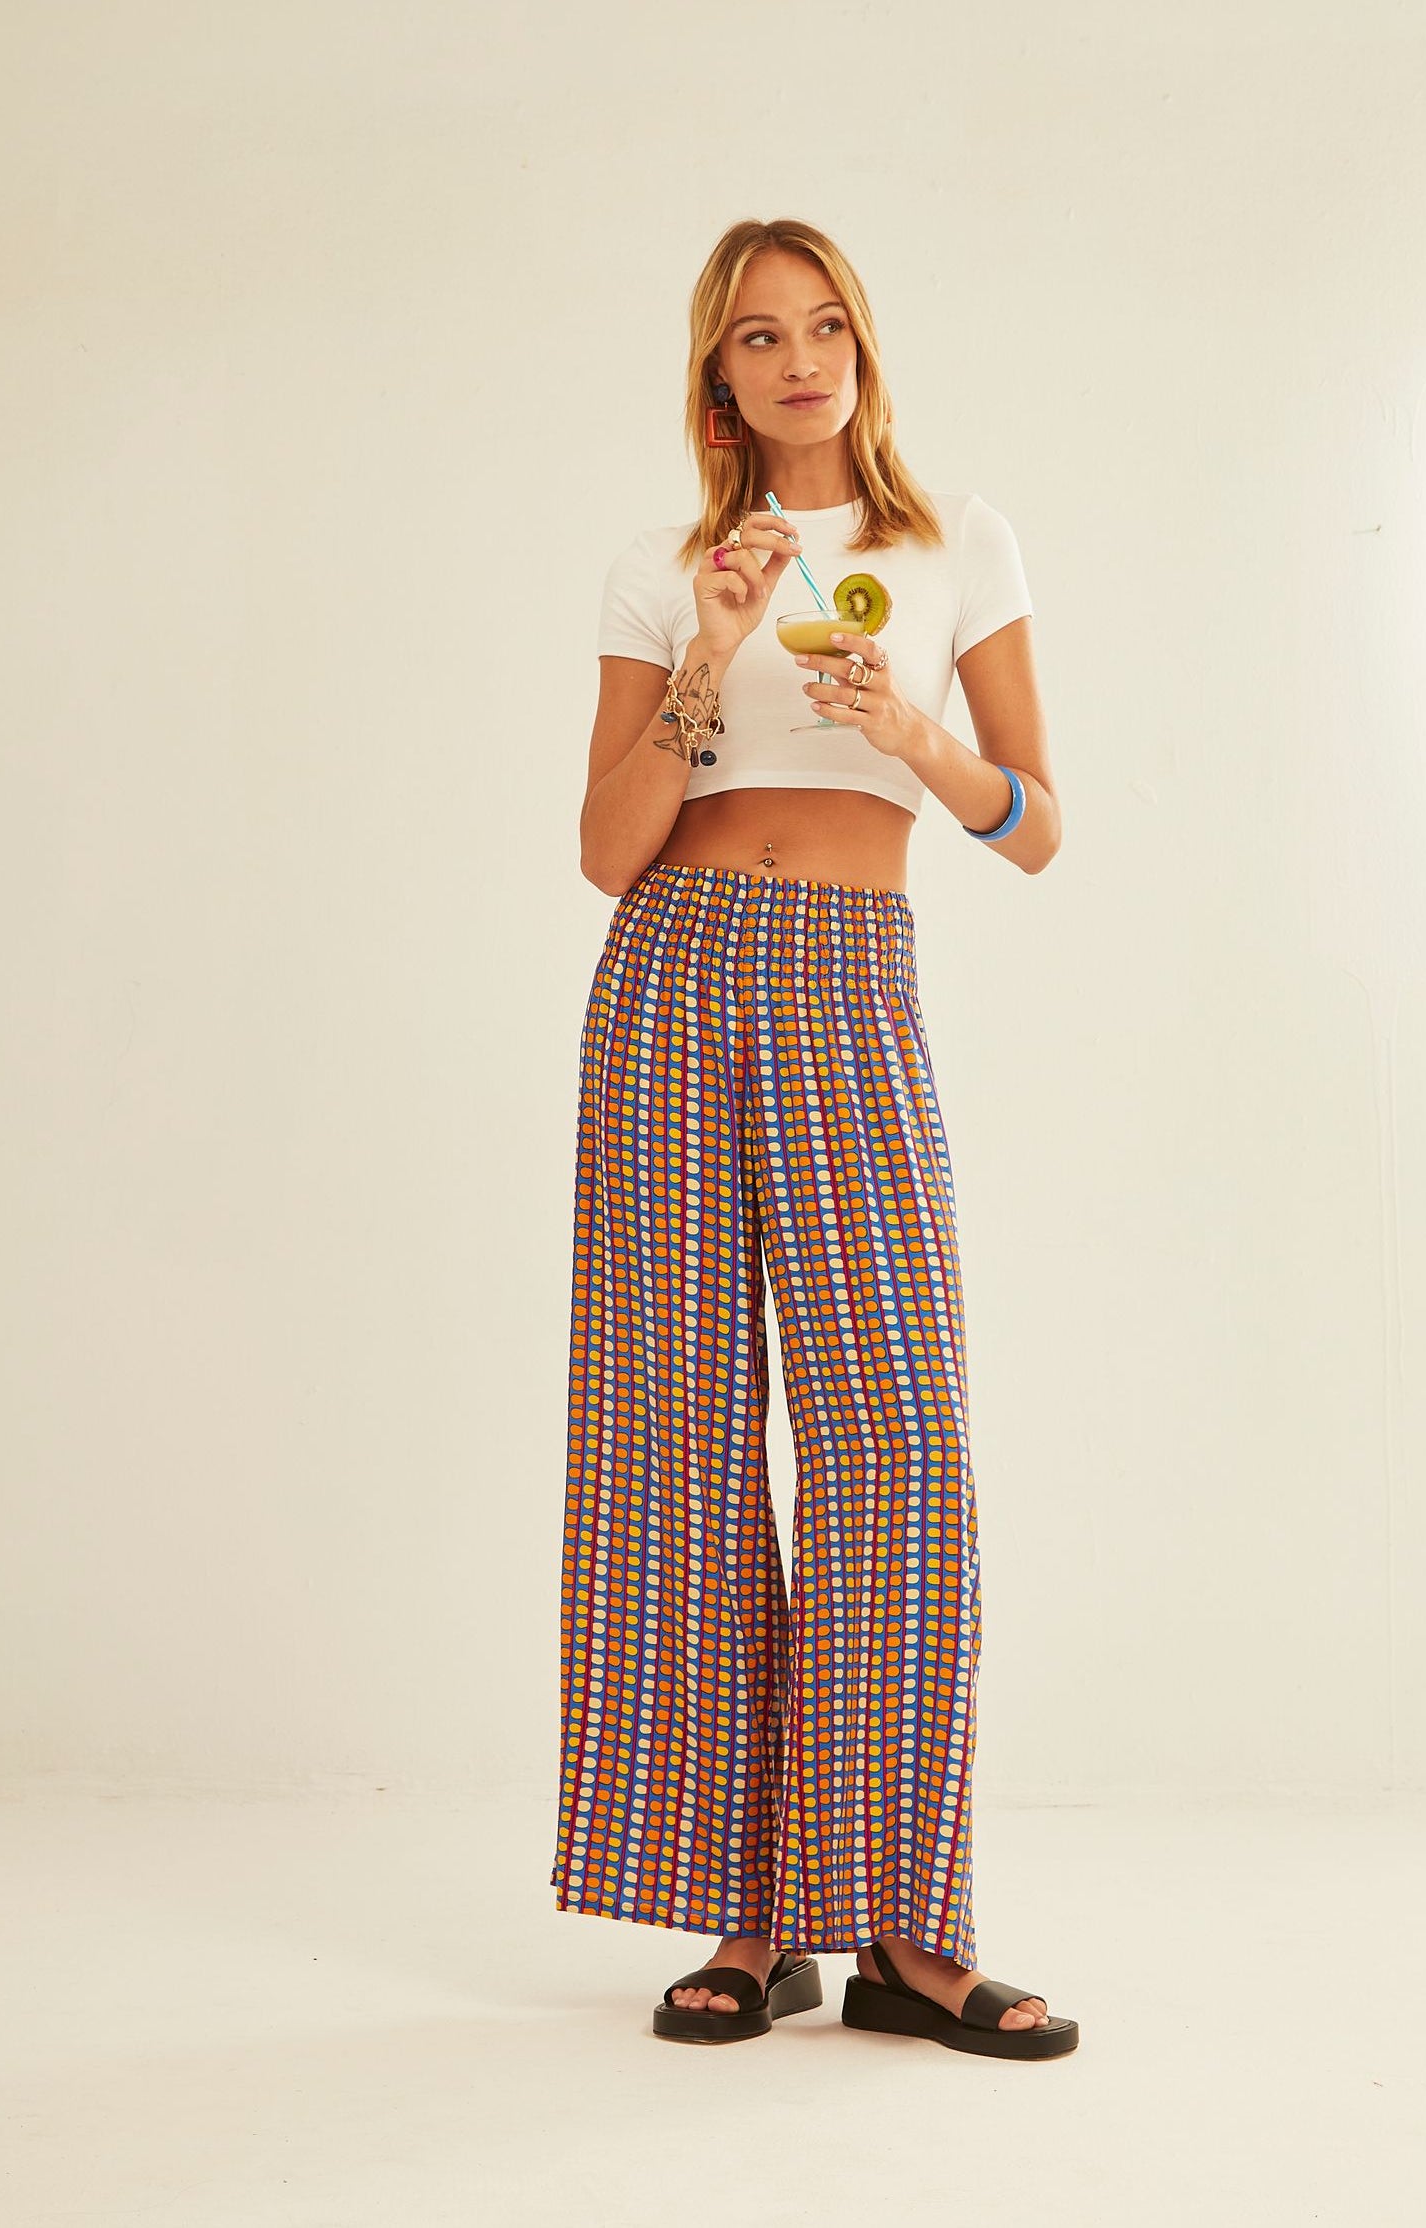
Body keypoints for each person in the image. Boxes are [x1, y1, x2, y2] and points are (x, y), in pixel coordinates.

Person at [549, 217, 1079, 2063]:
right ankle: (749, 1918)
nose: (799, 360)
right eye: (760, 335)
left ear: (862, 347)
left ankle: (908, 1931)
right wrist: (708, 653)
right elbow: (604, 851)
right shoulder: (663, 567)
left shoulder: (955, 544)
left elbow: (1034, 823)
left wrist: (913, 738)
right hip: (673, 970)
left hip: (852, 971)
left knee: (893, 1441)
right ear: (717, 372)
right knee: (675, 1443)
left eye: (825, 325)